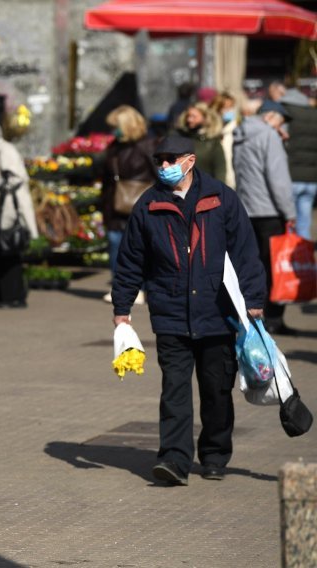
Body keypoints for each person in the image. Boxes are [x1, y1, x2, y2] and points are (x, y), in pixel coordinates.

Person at [112, 135, 267, 486]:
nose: (163, 167)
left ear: (190, 160)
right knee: (175, 390)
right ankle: (174, 460)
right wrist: (122, 309)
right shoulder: (148, 205)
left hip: (217, 312)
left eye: (170, 160)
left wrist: (254, 300)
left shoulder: (221, 199)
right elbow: (131, 261)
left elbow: (245, 253)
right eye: (160, 161)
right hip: (170, 313)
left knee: (216, 390)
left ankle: (213, 454)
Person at [233, 100, 298, 335]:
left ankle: (251, 315)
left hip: (247, 209)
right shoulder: (269, 137)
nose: (283, 127)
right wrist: (289, 213)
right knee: (275, 268)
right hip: (270, 211)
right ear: (271, 117)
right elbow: (278, 179)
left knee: (252, 265)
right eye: (281, 121)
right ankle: (273, 319)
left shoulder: (241, 134)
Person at [0, 117, 39, 308]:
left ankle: (13, 296)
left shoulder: (5, 150)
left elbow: (17, 177)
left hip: (8, 208)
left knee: (8, 249)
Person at [100, 105, 157, 303]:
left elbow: (159, 175)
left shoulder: (148, 146)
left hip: (142, 203)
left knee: (141, 249)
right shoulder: (114, 146)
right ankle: (122, 288)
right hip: (115, 203)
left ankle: (140, 288)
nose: (112, 130)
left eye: (115, 126)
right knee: (116, 245)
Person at [281, 93, 317, 240]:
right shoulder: (314, 114)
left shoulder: (286, 115)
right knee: (305, 221)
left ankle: (290, 258)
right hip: (311, 178)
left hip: (291, 176)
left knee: (290, 221)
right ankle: (305, 256)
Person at [174, 102, 226, 183]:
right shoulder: (182, 138)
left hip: (206, 188)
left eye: (194, 117)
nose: (189, 120)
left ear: (205, 118)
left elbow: (220, 170)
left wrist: (220, 191)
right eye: (188, 116)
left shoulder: (212, 143)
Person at [208, 92, 240, 189]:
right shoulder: (209, 133)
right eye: (226, 108)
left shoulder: (236, 130)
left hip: (233, 181)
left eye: (232, 107)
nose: (230, 111)